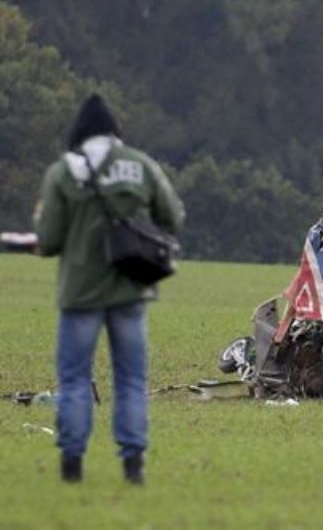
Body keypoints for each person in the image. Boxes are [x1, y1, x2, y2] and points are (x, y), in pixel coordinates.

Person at [33, 95, 186, 485]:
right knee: (132, 381)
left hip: (80, 292)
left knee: (73, 380)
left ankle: (72, 465)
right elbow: (171, 216)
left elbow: (48, 240)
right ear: (116, 130)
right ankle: (133, 465)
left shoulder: (63, 172)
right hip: (129, 290)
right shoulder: (139, 164)